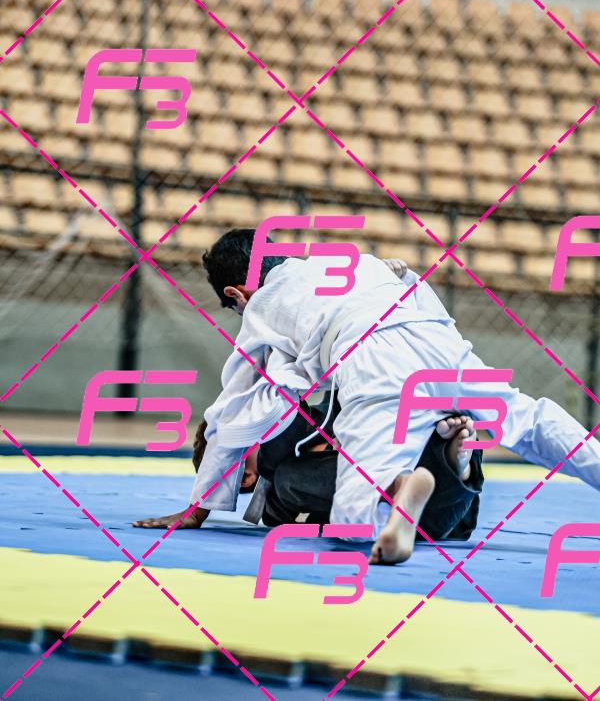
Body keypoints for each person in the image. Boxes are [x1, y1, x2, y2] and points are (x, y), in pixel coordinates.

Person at [134, 229, 600, 564]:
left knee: (353, 513)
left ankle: (400, 490)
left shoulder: (260, 308)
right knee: (525, 418)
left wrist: (198, 509)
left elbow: (233, 410)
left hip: (371, 354)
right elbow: (411, 280)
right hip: (436, 337)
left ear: (237, 292)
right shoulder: (348, 261)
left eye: (236, 305)